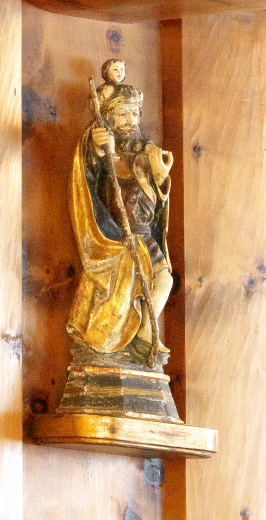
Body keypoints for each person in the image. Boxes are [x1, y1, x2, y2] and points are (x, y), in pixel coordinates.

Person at [67, 83, 174, 363]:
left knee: (165, 278)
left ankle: (146, 330)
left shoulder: (143, 153)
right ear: (109, 118)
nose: (130, 121)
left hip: (141, 234)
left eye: (134, 114)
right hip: (114, 235)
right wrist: (98, 145)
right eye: (123, 114)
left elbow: (155, 201)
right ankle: (112, 335)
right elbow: (90, 170)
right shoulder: (103, 147)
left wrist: (161, 176)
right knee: (127, 280)